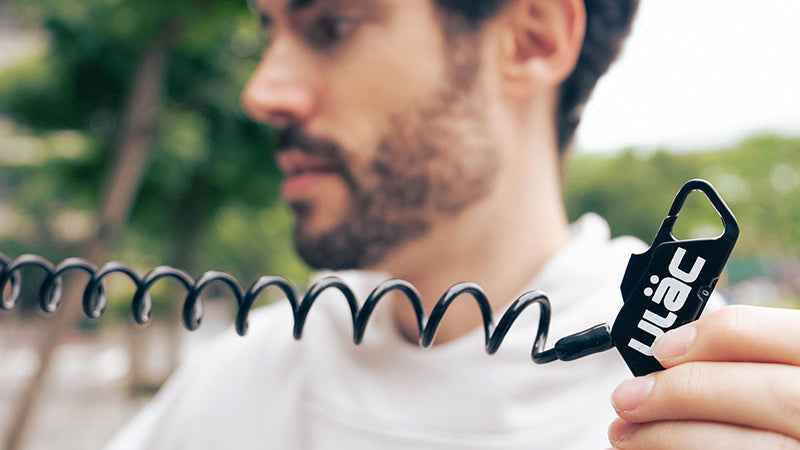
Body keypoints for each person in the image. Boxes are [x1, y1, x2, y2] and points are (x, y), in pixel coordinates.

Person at [107, 0, 800, 448]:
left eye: (330, 26)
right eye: (270, 31)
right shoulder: (241, 372)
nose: (260, 92)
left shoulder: (719, 407)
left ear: (530, 40)